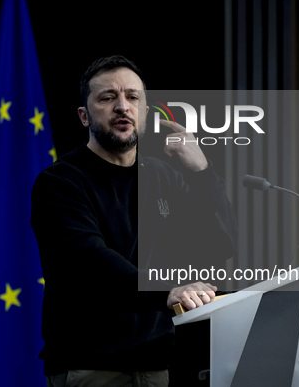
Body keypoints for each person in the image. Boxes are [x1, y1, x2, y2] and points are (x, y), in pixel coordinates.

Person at [30, 55, 236, 386]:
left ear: (144, 113)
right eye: (108, 97)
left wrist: (202, 172)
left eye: (132, 97)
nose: (122, 106)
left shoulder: (164, 176)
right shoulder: (60, 182)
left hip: (156, 363)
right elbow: (89, 260)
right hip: (91, 365)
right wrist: (166, 289)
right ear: (84, 116)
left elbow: (220, 243)